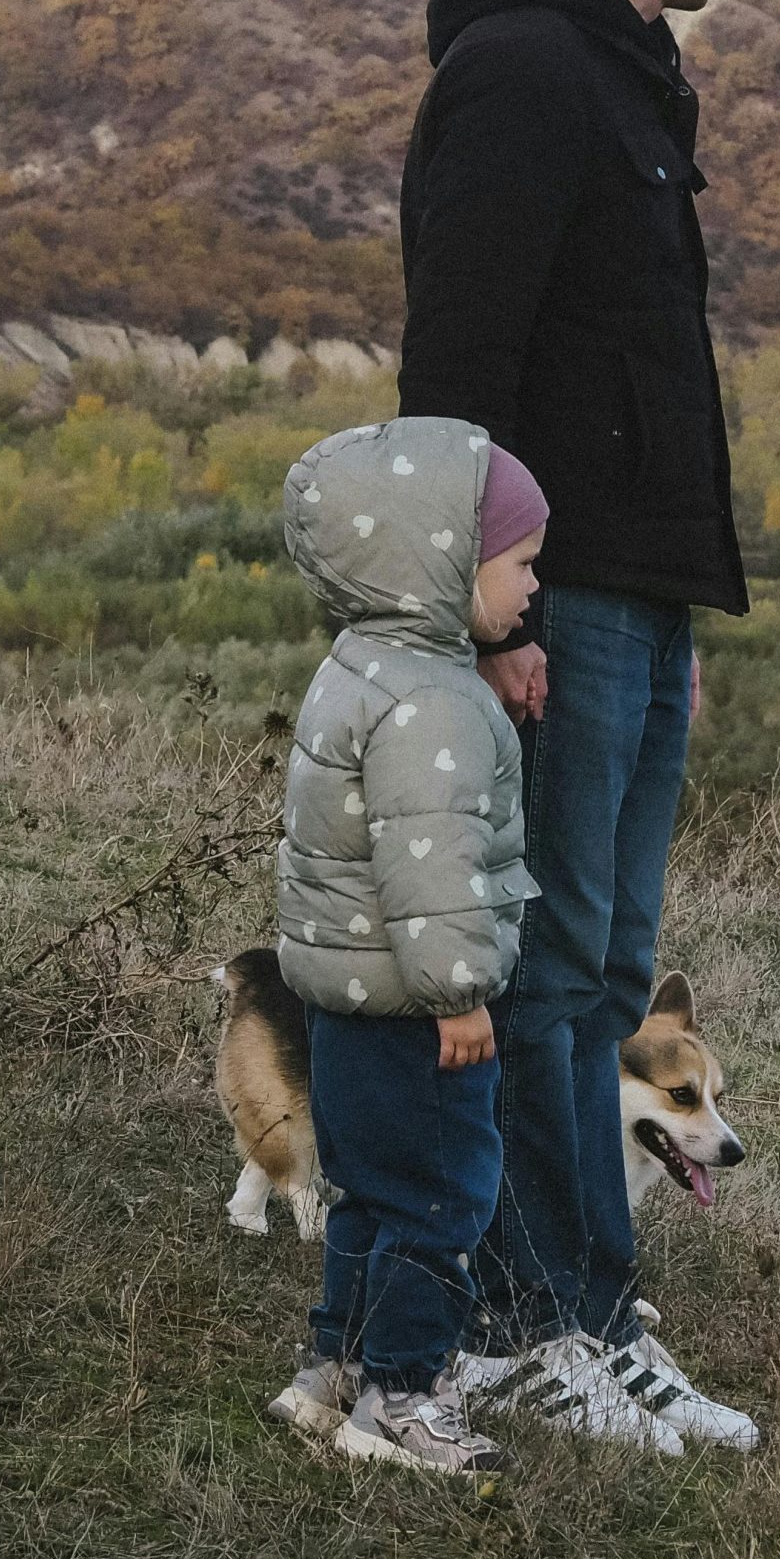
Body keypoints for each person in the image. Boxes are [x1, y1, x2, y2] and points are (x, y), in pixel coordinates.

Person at [394, 0, 780, 1453]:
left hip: (630, 602)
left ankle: (580, 1302)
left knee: (611, 964)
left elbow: (641, 372)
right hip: (554, 601)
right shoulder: (523, 72)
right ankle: (545, 1320)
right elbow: (459, 365)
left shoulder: (629, 73)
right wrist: (493, 616)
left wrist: (668, 621)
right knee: (555, 971)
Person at [267, 415, 548, 1474]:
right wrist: (461, 992)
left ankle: (330, 1367)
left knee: (371, 1187)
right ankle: (406, 1396)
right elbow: (427, 873)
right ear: (437, 560)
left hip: (346, 993)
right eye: (518, 562)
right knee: (442, 1194)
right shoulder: (431, 700)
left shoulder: (362, 664)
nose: (531, 588)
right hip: (414, 1006)